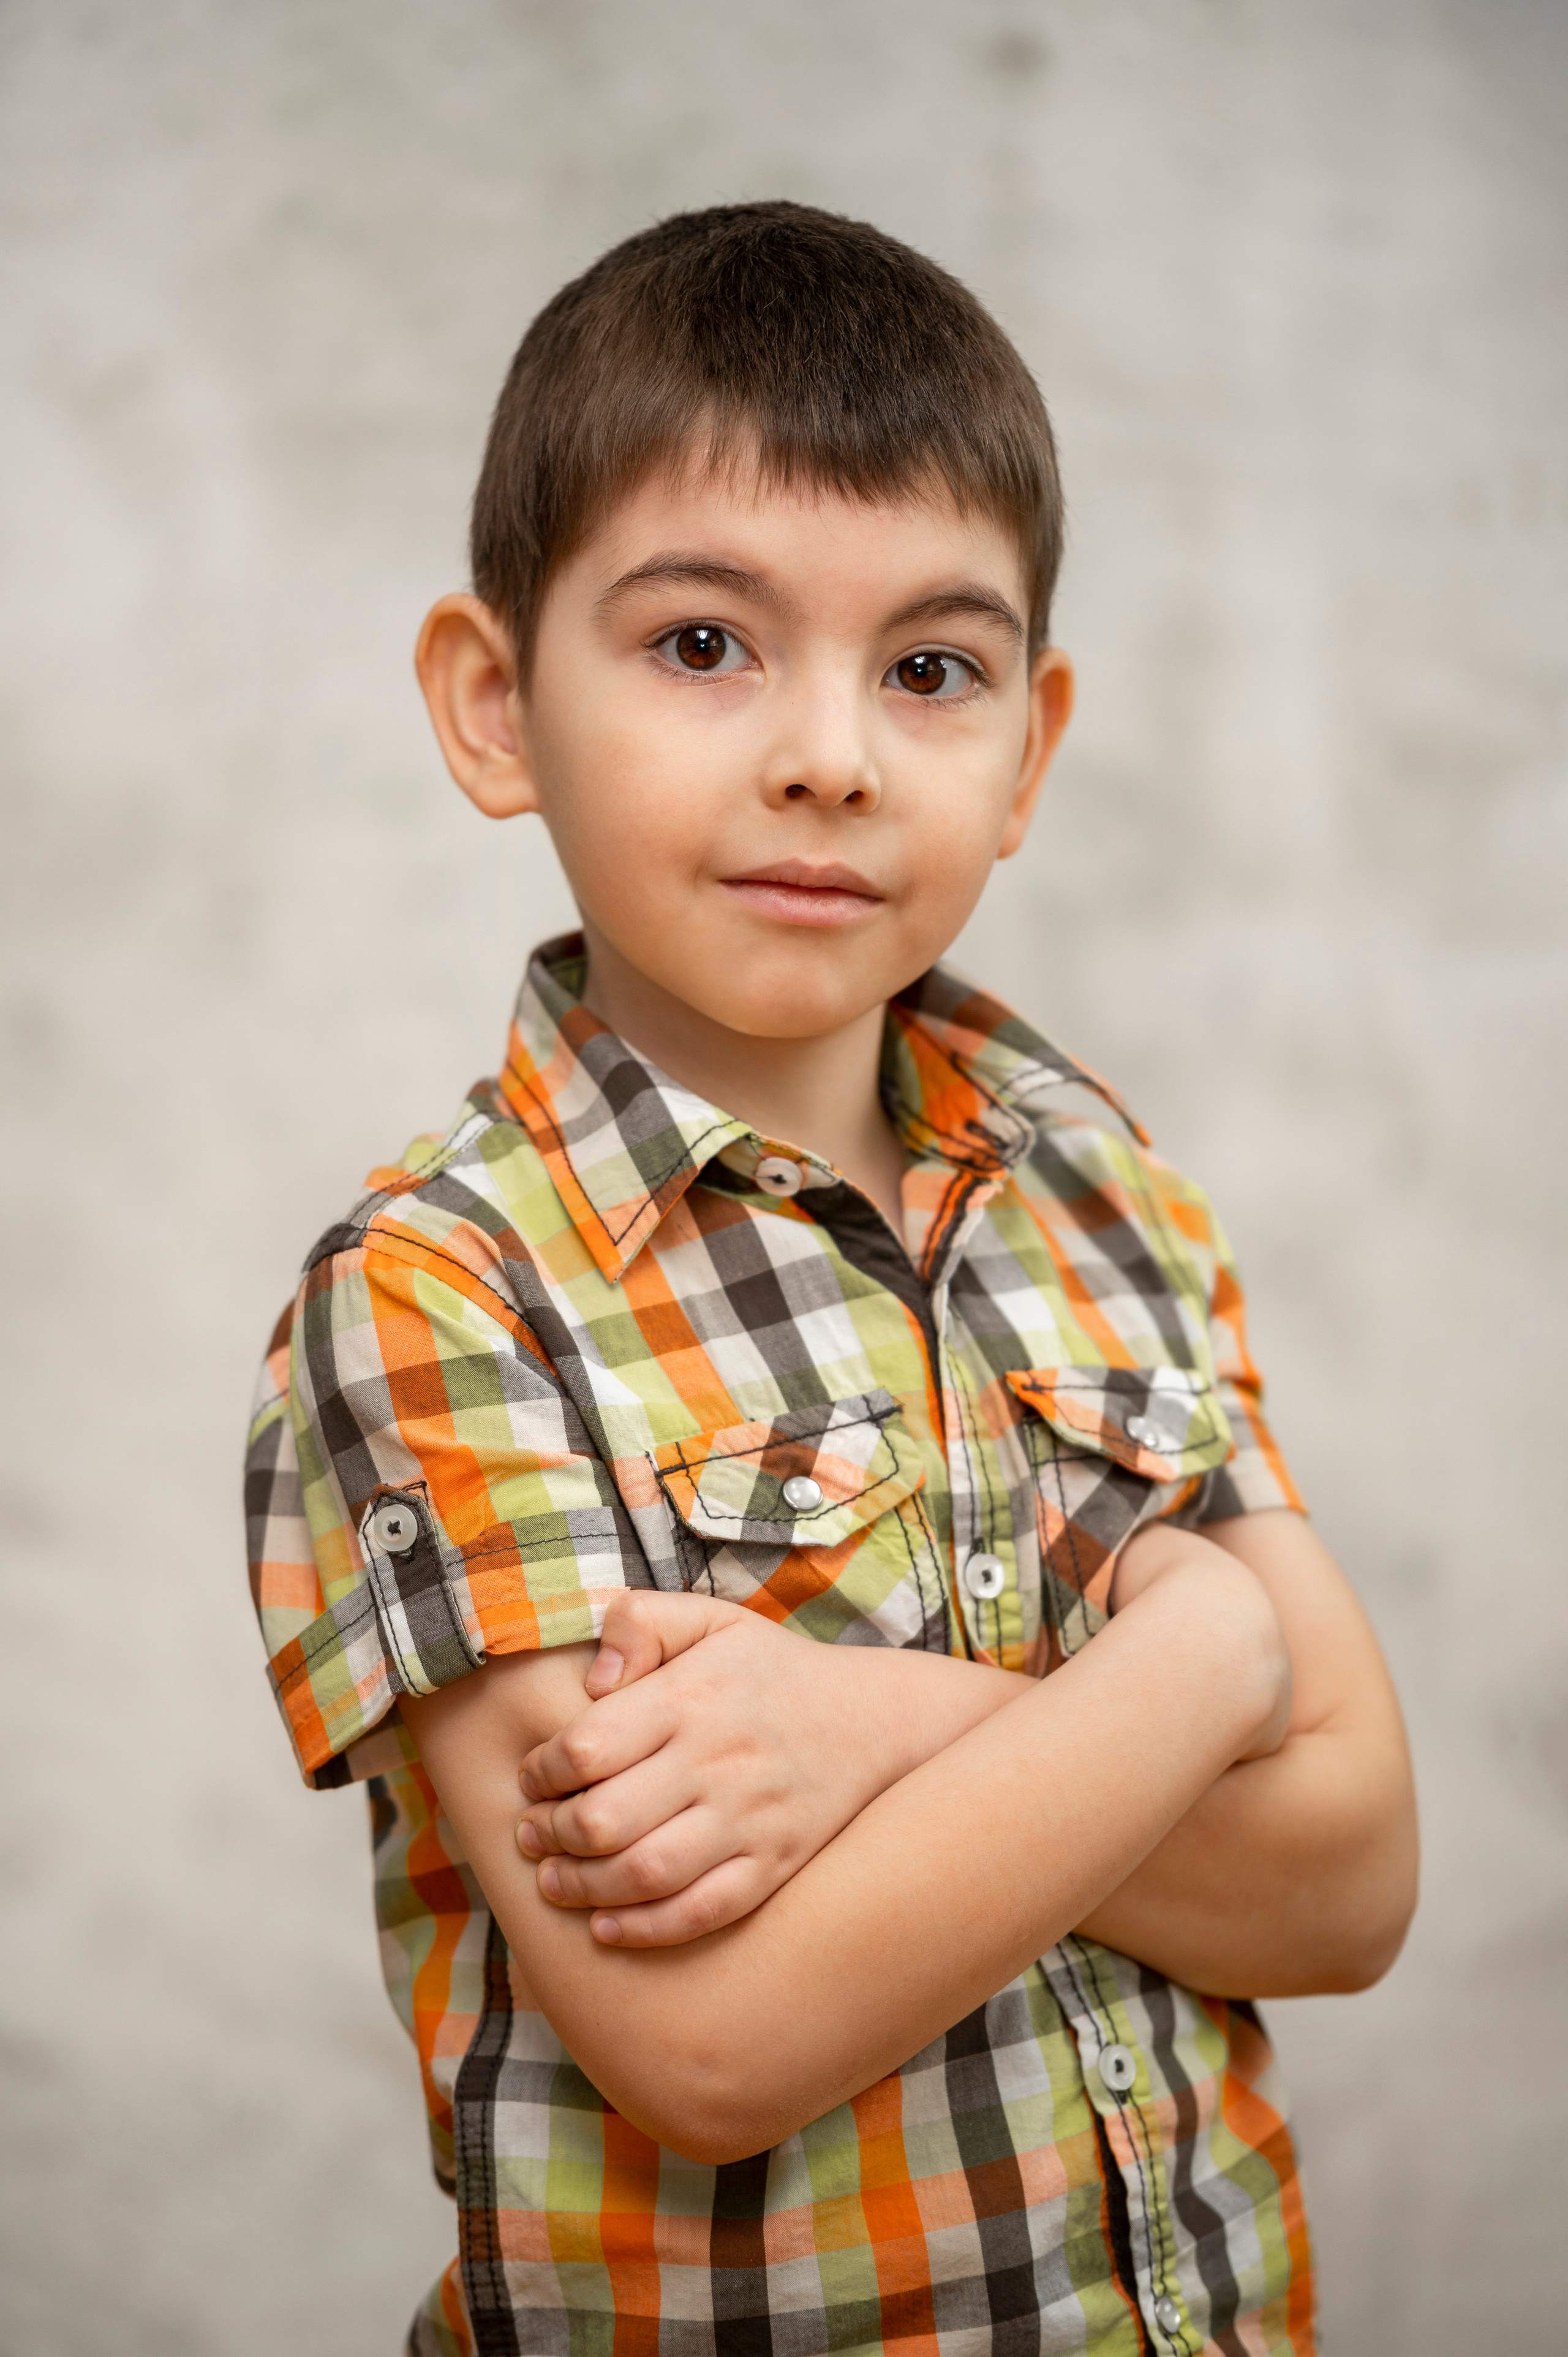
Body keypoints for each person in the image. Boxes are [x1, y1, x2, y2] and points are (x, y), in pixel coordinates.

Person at [244, 201, 1417, 2357]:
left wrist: (884, 1728)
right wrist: (1208, 1651)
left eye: (931, 669)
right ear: (496, 705)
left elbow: (1351, 1886)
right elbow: (710, 2047)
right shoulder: (435, 1298)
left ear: (1030, 750)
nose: (831, 753)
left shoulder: (1103, 1196)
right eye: (704, 644)